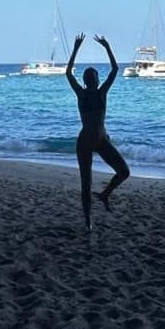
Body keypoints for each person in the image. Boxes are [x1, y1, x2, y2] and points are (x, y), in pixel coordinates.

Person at [66, 32, 130, 230]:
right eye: (88, 77)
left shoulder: (103, 92)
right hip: (85, 140)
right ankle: (88, 222)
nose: (92, 79)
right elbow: (68, 73)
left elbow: (115, 69)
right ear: (85, 81)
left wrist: (107, 47)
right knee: (86, 183)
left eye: (94, 76)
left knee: (124, 171)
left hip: (102, 139)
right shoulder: (81, 94)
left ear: (97, 79)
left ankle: (105, 194)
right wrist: (75, 49)